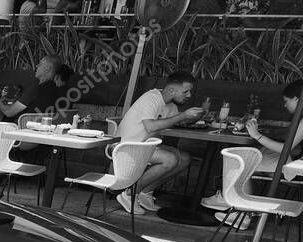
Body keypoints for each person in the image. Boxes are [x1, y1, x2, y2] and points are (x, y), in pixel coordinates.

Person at [202, 80, 303, 212]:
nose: (284, 105)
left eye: (286, 101)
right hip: (295, 160)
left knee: (243, 162)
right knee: (253, 155)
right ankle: (231, 201)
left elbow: (285, 149)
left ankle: (238, 209)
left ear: (296, 99)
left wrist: (256, 135)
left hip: (294, 165)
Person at [115, 70, 204, 214]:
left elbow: (182, 122)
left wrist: (199, 113)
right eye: (186, 91)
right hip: (128, 146)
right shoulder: (151, 98)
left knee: (185, 159)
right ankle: (129, 193)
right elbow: (150, 126)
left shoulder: (171, 106)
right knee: (170, 159)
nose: (189, 95)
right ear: (171, 90)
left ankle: (145, 193)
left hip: (144, 145)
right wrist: (183, 115)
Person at [0, 55, 63, 120]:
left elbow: (9, 112)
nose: (36, 66)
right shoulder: (58, 91)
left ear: (47, 68)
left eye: (40, 64)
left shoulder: (36, 90)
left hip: (21, 129)